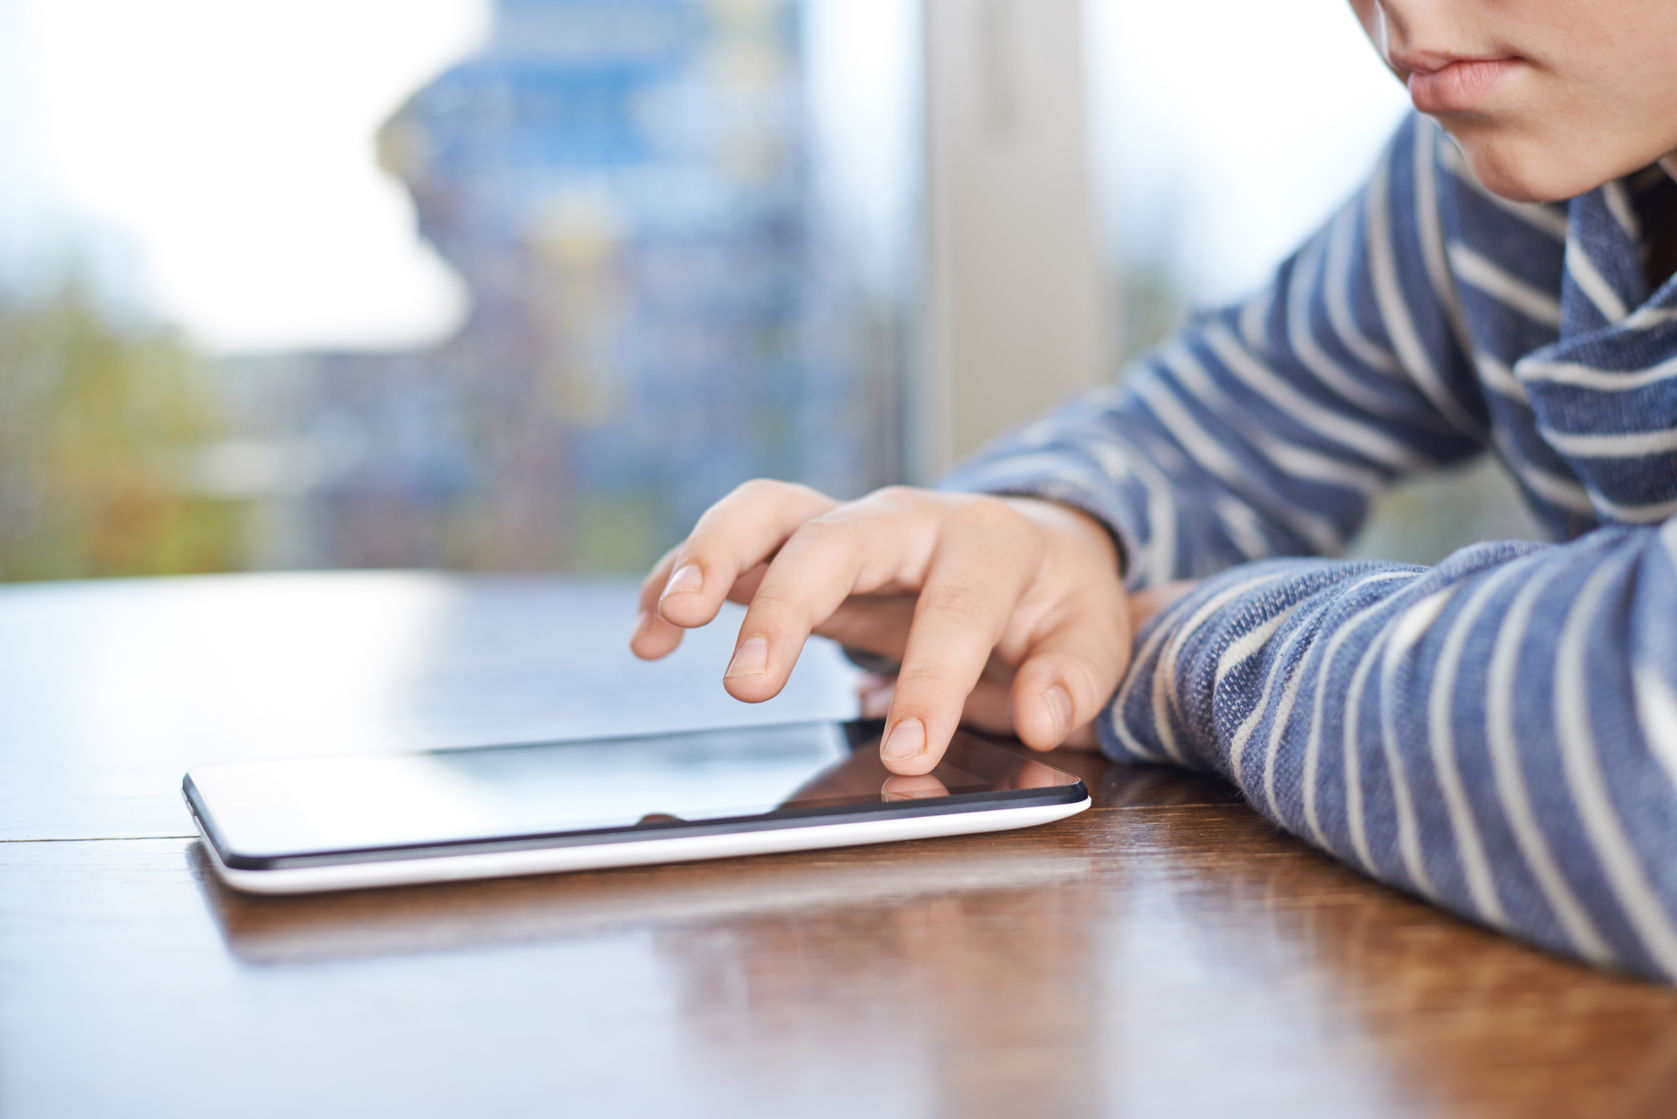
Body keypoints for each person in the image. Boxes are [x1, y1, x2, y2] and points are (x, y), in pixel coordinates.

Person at [629, 0, 1677, 983]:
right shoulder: (1506, 172)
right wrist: (1048, 537)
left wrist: (1163, 649)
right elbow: (1234, 414)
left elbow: (1639, 737)